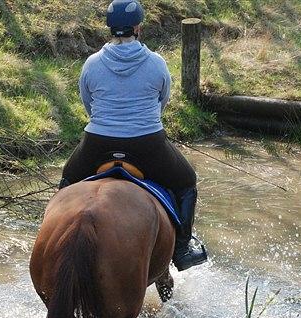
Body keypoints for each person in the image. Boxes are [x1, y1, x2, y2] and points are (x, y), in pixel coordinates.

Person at [58, 0, 208, 272]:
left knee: (68, 180)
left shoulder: (92, 63)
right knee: (187, 181)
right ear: (138, 27)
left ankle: (57, 240)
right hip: (147, 143)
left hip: (97, 143)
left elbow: (88, 103)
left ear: (109, 27)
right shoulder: (156, 63)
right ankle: (183, 247)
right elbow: (163, 101)